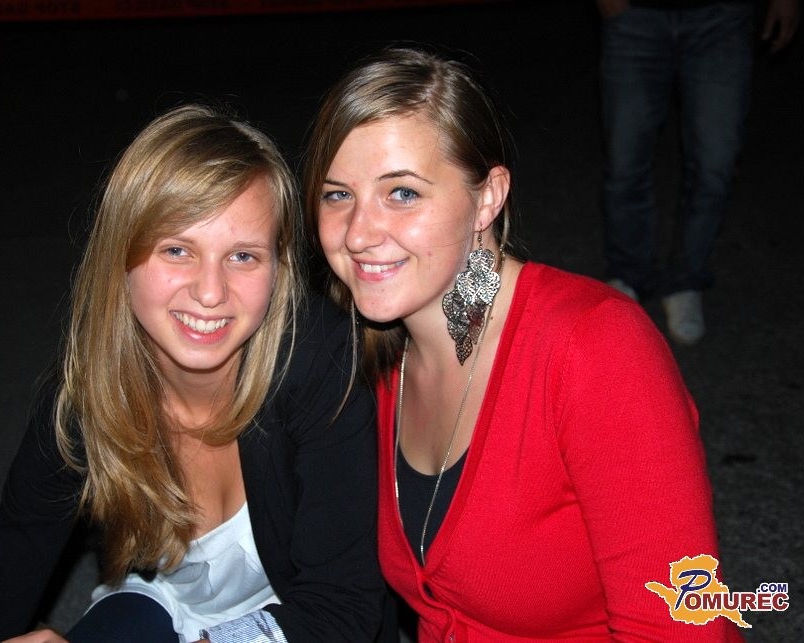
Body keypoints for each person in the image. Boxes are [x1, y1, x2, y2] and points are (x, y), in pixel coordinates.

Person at [303, 46, 742, 641]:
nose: (358, 233)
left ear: (487, 197)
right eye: (337, 194)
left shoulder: (596, 349)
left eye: (402, 193)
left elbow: (682, 625)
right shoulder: (380, 350)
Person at [0, 105, 393, 643]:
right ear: (120, 259)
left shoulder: (318, 363)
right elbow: (4, 571)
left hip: (299, 619)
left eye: (243, 257)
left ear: (279, 268)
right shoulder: (89, 399)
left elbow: (343, 607)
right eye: (177, 250)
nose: (210, 292)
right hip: (162, 600)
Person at [597, 0, 800, 344]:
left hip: (722, 18)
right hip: (635, 16)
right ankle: (628, 274)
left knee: (714, 163)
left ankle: (686, 278)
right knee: (625, 160)